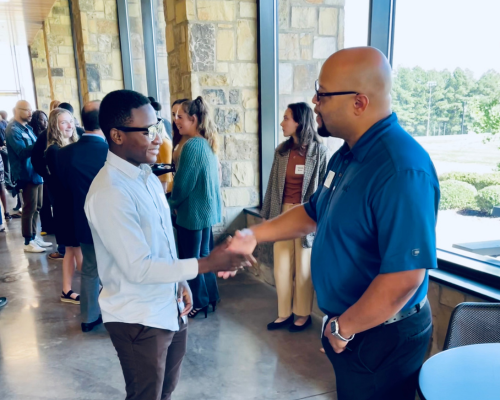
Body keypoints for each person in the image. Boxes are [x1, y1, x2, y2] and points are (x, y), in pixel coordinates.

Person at [228, 47, 439, 400]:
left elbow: (405, 278)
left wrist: (344, 328)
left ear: (359, 103)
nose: (315, 101)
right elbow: (313, 211)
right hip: (354, 327)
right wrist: (253, 234)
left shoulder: (401, 169)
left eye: (322, 93)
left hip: (381, 335)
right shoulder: (348, 154)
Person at [85, 90, 250, 400]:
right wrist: (207, 264)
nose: (159, 137)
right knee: (146, 395)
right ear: (117, 135)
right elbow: (139, 268)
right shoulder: (110, 192)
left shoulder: (146, 176)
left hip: (169, 305)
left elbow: (162, 242)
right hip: (139, 318)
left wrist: (180, 282)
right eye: (147, 131)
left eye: (158, 126)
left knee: (166, 390)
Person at [262, 102, 329, 332]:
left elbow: (325, 188)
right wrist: (267, 216)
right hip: (282, 213)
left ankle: (302, 315)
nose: (282, 123)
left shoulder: (319, 152)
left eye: (286, 118)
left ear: (299, 122)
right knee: (281, 266)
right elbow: (272, 185)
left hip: (306, 215)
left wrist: (321, 219)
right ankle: (284, 314)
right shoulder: (281, 152)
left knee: (303, 268)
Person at [168, 97, 222, 318]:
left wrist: (170, 204)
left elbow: (183, 185)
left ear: (193, 119)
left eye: (180, 116)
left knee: (191, 260)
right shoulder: (205, 142)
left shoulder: (191, 146)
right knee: (204, 257)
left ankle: (198, 302)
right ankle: (210, 298)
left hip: (192, 213)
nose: (175, 120)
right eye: (174, 116)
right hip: (205, 212)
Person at [58, 101, 108, 331]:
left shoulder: (65, 153)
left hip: (83, 220)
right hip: (113, 221)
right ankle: (122, 317)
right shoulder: (112, 151)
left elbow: (64, 190)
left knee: (89, 269)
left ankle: (88, 318)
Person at [45, 108, 82, 304]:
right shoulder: (54, 150)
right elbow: (63, 181)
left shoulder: (73, 145)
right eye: (63, 122)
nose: (69, 125)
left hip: (72, 204)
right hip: (66, 207)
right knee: (77, 250)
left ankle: (66, 290)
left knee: (71, 250)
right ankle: (97, 288)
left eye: (70, 121)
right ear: (55, 126)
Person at [5, 100, 52, 252]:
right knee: (29, 207)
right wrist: (41, 142)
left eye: (31, 110)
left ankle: (33, 236)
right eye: (27, 110)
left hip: (36, 171)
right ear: (17, 110)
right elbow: (21, 152)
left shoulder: (28, 128)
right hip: (26, 174)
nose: (30, 113)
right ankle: (28, 241)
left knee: (37, 206)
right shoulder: (12, 130)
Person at [149, 97, 174, 194]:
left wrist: (162, 192)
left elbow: (165, 171)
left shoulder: (163, 144)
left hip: (165, 189)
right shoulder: (164, 122)